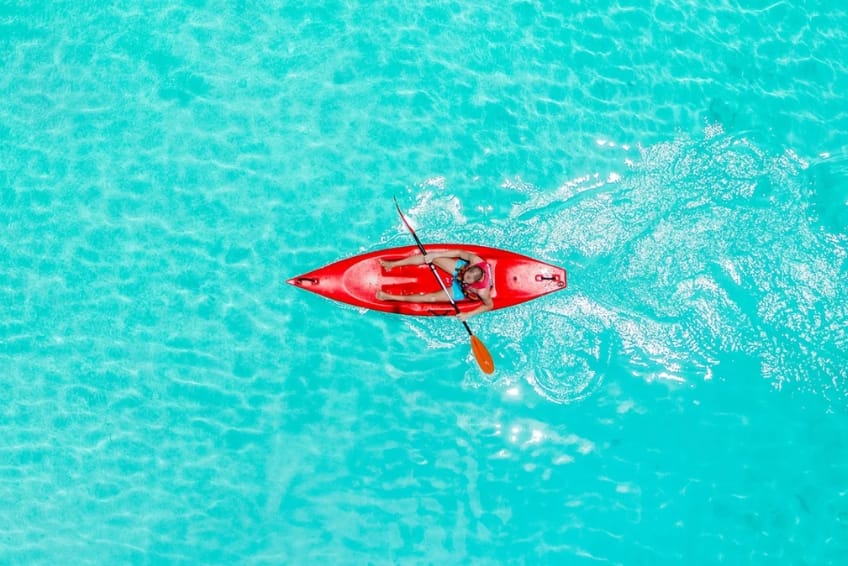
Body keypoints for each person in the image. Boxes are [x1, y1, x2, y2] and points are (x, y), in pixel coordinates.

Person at [376, 249, 494, 321]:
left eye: (467, 279)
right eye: (466, 274)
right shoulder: (475, 260)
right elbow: (459, 252)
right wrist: (435, 255)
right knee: (431, 258)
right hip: (460, 268)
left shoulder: (482, 291)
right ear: (471, 267)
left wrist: (468, 314)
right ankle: (392, 264)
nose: (463, 278)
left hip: (461, 290)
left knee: (431, 298)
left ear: (475, 282)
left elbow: (489, 306)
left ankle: (389, 297)